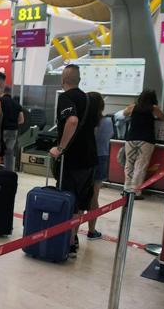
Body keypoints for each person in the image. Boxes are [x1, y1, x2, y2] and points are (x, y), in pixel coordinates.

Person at [49, 64, 99, 258]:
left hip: (73, 159)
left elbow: (72, 121)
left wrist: (60, 148)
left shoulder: (65, 97)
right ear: (79, 80)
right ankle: (72, 239)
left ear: (63, 80)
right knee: (78, 203)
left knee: (67, 200)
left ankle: (67, 243)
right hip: (89, 158)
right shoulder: (89, 99)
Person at [122, 89, 164, 200]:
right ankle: (135, 192)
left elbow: (124, 113)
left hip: (131, 139)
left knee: (129, 164)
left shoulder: (133, 107)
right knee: (140, 166)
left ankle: (126, 189)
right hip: (146, 141)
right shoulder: (154, 108)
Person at [87, 92, 113, 240]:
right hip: (101, 158)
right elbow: (109, 137)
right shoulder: (107, 122)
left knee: (81, 194)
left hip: (85, 159)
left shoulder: (85, 121)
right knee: (94, 195)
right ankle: (92, 230)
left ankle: (73, 234)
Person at [0, 86, 24, 171]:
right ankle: (8, 172)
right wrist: (12, 123)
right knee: (9, 152)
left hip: (2, 130)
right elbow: (21, 120)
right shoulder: (17, 104)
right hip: (13, 131)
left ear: (3, 91)